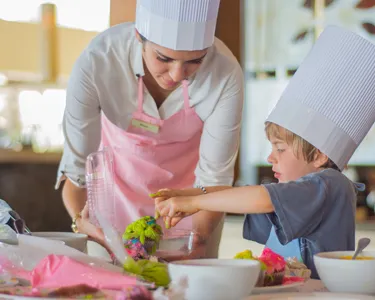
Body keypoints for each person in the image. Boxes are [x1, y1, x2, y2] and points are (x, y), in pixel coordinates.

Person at [154, 26, 375, 277]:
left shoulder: (329, 184)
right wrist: (190, 194)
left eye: (280, 148)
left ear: (319, 156)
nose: (271, 157)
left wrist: (195, 201)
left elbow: (263, 198)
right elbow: (244, 197)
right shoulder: (300, 191)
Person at [55, 0, 244, 258]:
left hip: (194, 211)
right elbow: (76, 171)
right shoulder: (98, 61)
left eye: (195, 60)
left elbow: (215, 181)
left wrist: (195, 243)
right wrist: (83, 223)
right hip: (112, 206)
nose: (177, 74)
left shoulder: (225, 72)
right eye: (163, 58)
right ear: (138, 36)